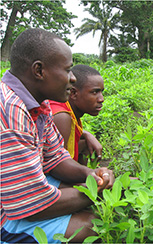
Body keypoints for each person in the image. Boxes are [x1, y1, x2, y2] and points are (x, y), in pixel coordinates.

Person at [0, 28, 115, 243]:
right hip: (5, 214)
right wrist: (92, 191)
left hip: (19, 196)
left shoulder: (38, 104)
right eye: (68, 70)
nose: (72, 78)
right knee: (91, 227)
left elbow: (55, 158)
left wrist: (90, 174)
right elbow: (29, 203)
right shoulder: (10, 110)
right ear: (39, 70)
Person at [49, 65, 104, 165]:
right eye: (94, 92)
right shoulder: (62, 117)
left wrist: (86, 134)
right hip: (44, 178)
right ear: (73, 93)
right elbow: (59, 167)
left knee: (85, 143)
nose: (101, 99)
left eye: (101, 92)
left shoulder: (69, 111)